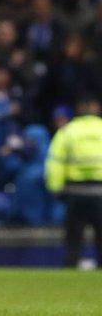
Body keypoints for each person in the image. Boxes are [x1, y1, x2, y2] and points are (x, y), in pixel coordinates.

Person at [45, 97, 102, 268]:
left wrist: (56, 190)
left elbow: (55, 162)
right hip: (100, 193)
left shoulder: (68, 131)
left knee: (73, 239)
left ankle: (70, 270)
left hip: (75, 193)